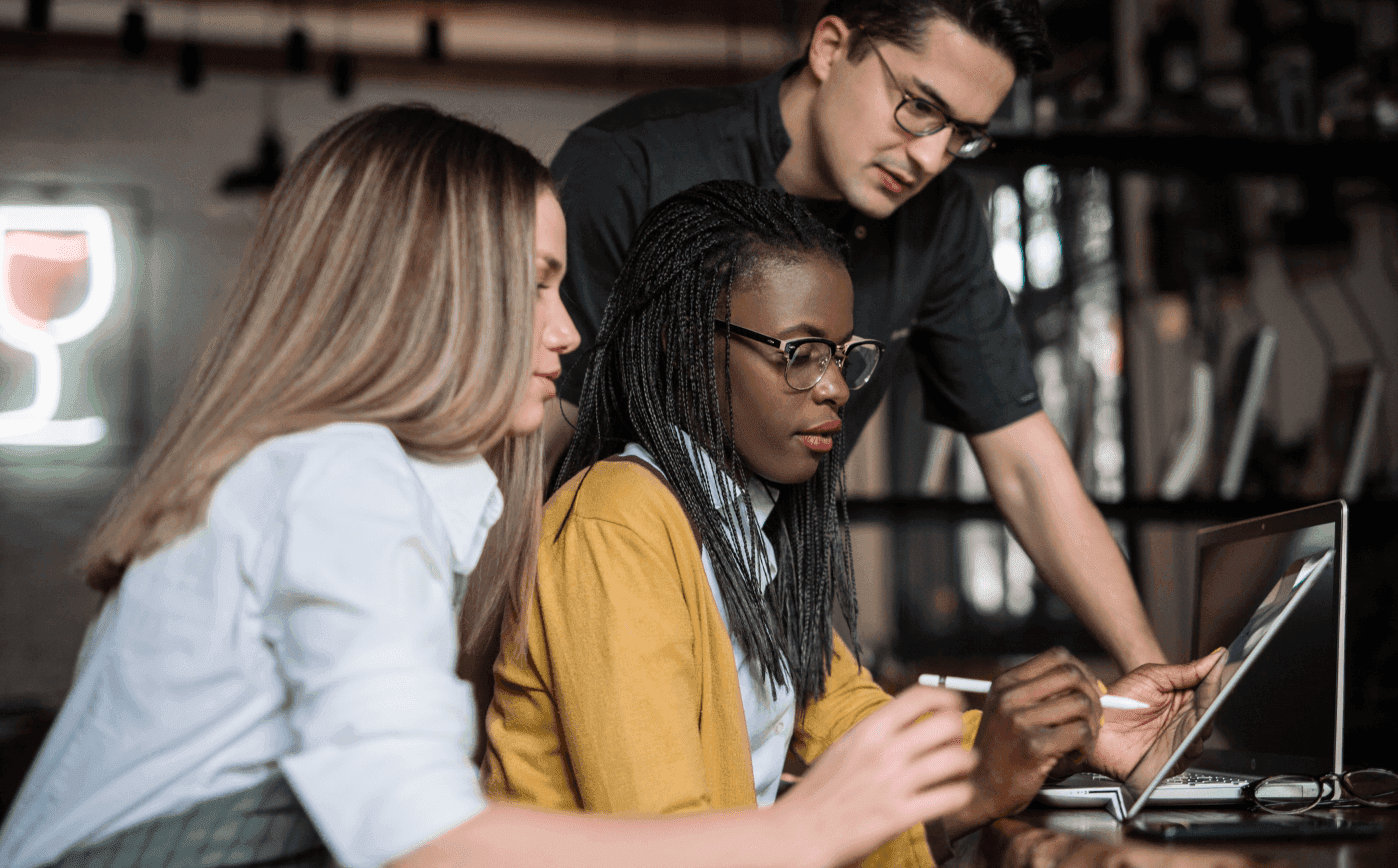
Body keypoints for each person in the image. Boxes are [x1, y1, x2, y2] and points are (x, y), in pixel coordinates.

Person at [0, 106, 979, 868]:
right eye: (538, 283)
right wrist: (797, 833)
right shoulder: (336, 478)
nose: (569, 330)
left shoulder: (424, 484)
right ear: (435, 289)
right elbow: (420, 836)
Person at [486, 181, 1227, 867]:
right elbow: (669, 845)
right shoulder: (617, 525)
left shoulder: (743, 529)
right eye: (801, 354)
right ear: (690, 348)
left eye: (842, 356)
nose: (836, 386)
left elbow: (851, 721)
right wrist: (977, 788)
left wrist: (1077, 734)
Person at [542, 0, 1168, 673]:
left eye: (964, 134)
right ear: (831, 47)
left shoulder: (940, 218)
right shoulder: (633, 167)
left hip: (784, 619)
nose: (931, 155)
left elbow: (1024, 462)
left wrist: (1149, 674)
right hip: (612, 605)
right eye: (919, 106)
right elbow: (550, 440)